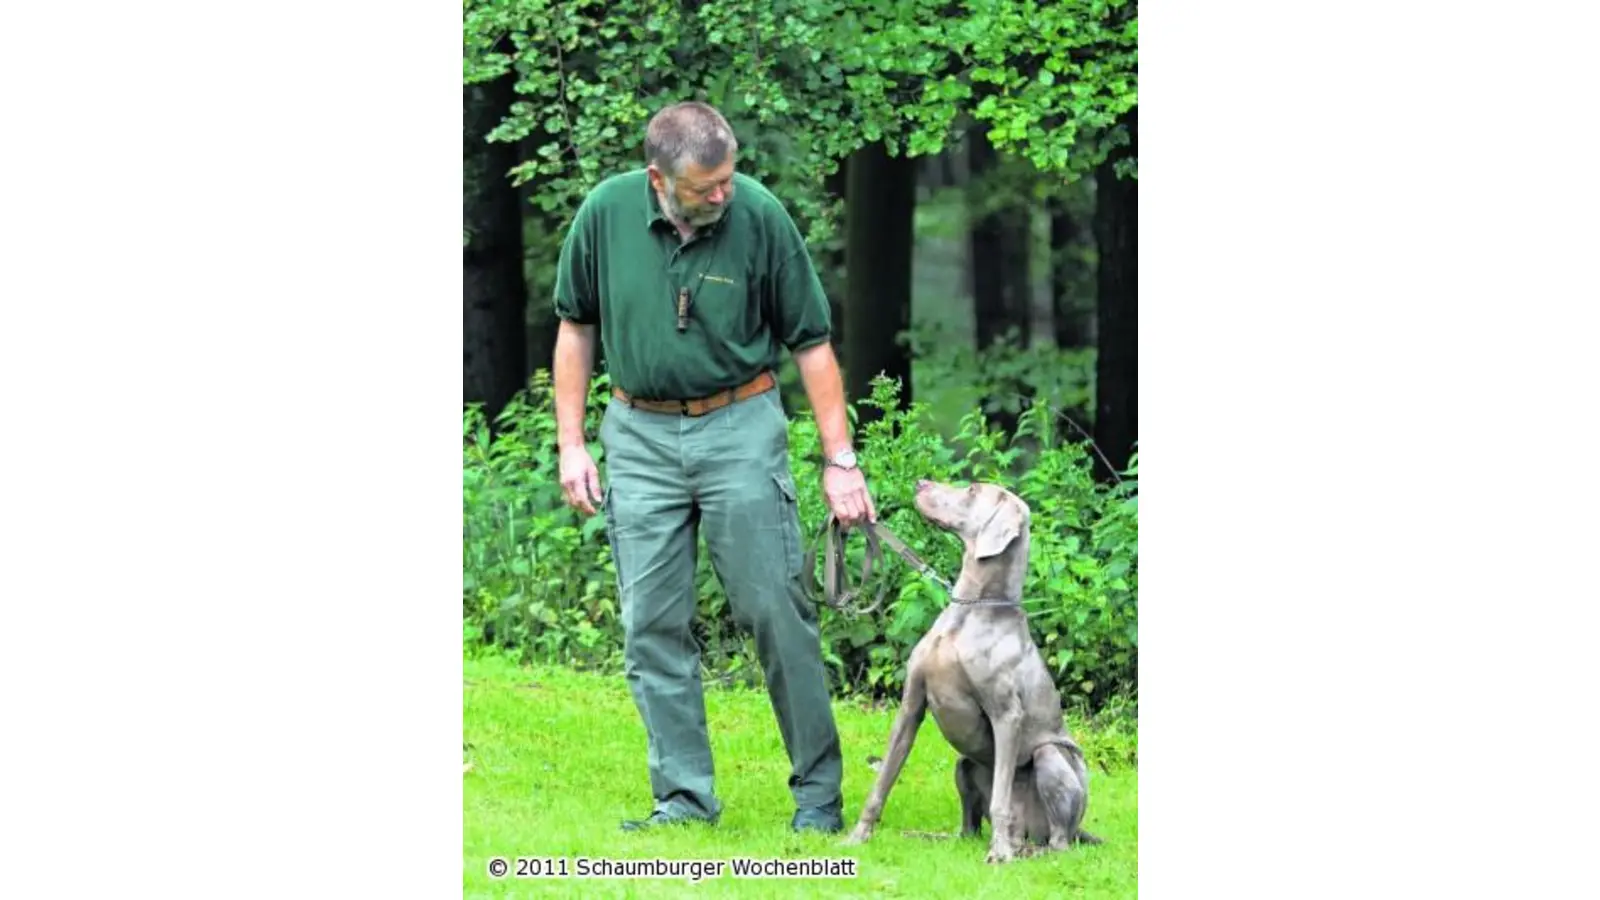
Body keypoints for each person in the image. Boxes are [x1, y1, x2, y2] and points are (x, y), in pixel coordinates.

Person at [550, 100, 876, 834]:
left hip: (740, 426)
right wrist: (572, 443)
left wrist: (840, 461)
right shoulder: (604, 214)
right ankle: (683, 799)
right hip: (639, 434)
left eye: (727, 178)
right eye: (706, 187)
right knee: (652, 624)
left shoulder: (759, 215)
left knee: (774, 609)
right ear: (657, 178)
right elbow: (575, 328)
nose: (722, 194)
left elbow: (813, 343)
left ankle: (818, 799)